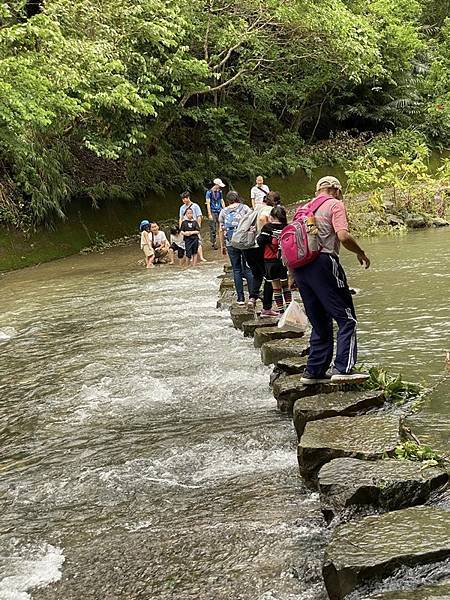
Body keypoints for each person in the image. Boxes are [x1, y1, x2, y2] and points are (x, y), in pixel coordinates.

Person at [292, 176, 370, 385]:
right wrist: (360, 252)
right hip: (324, 262)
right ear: (335, 190)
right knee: (347, 318)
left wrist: (292, 275)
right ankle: (343, 369)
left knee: (320, 322)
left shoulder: (302, 209)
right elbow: (343, 236)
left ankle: (314, 372)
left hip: (300, 268)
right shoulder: (335, 204)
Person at [242, 193, 278, 316]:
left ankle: (252, 299)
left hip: (248, 246)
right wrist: (266, 234)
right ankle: (267, 308)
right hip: (258, 246)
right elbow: (263, 219)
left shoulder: (255, 208)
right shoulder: (268, 209)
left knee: (257, 274)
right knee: (269, 277)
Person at [219, 191, 254, 305]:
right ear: (238, 198)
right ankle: (252, 297)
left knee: (236, 270)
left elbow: (221, 229)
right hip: (244, 242)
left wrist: (222, 245)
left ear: (228, 200)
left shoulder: (223, 211)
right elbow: (252, 223)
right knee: (248, 268)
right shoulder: (245, 208)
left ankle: (240, 299)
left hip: (231, 243)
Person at [257, 206, 292, 314]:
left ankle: (281, 312)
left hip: (270, 261)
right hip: (284, 261)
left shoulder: (267, 228)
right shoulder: (288, 227)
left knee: (276, 287)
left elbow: (260, 242)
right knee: (286, 286)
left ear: (271, 217)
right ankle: (290, 309)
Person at [178, 191, 207, 262]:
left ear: (188, 198)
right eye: (183, 199)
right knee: (187, 242)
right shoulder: (182, 208)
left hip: (194, 226)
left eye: (185, 198)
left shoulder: (195, 206)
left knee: (198, 242)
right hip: (185, 227)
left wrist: (198, 226)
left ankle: (201, 257)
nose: (184, 200)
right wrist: (180, 228)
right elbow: (181, 218)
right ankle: (190, 257)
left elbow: (199, 216)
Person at [206, 178, 226, 250]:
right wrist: (209, 214)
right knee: (213, 228)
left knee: (222, 226)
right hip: (213, 211)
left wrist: (225, 209)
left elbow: (222, 200)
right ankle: (213, 243)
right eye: (219, 185)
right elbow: (208, 203)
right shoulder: (209, 193)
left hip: (220, 210)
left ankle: (224, 241)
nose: (220, 187)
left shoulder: (220, 191)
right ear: (216, 185)